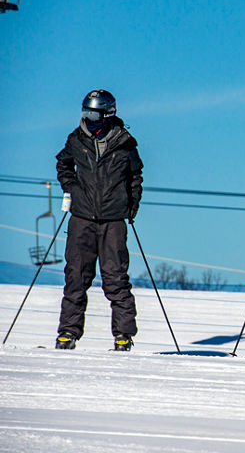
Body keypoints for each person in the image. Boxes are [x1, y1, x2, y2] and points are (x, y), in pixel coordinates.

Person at [55, 89, 143, 351]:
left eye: (93, 113)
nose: (88, 118)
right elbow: (63, 164)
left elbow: (135, 178)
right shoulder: (76, 139)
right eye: (85, 112)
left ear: (107, 114)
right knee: (76, 277)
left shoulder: (126, 144)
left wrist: (130, 206)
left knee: (115, 278)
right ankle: (67, 333)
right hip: (81, 218)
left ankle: (123, 335)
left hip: (113, 221)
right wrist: (71, 189)